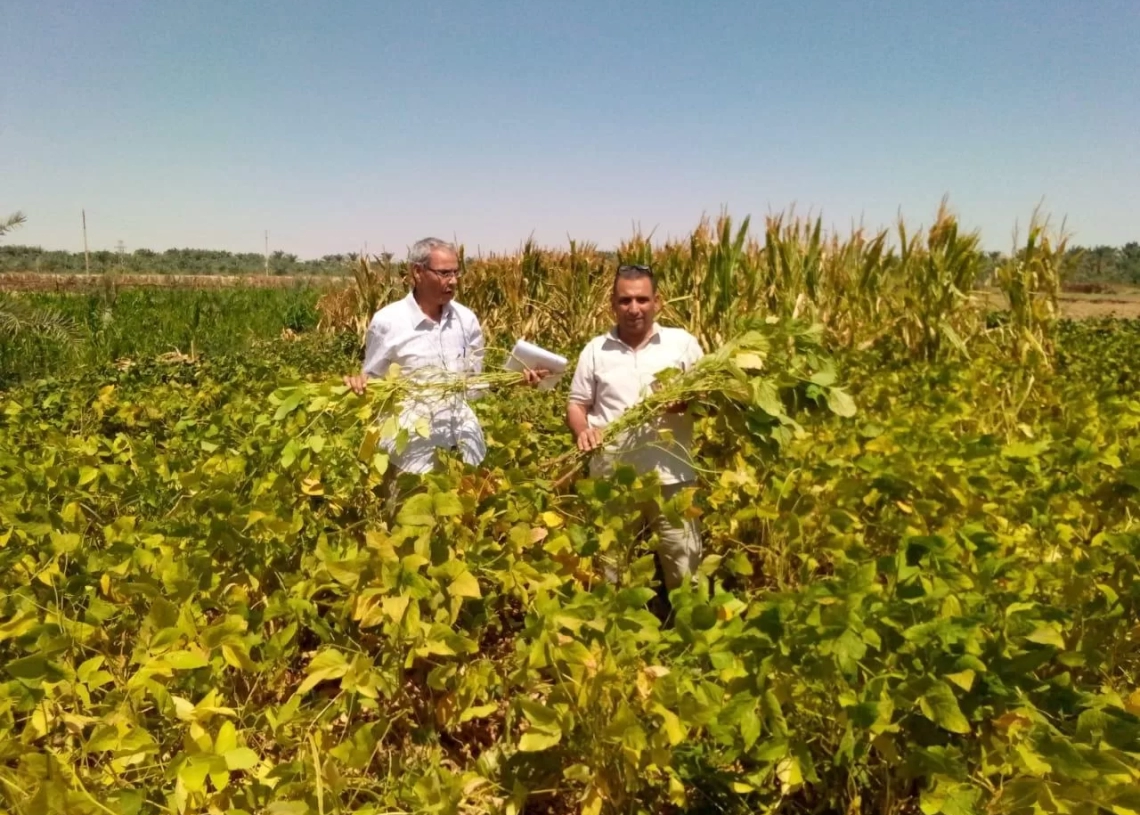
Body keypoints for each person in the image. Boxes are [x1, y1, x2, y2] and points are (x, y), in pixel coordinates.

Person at [344, 237, 545, 477]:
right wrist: (359, 384)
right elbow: (374, 382)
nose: (452, 281)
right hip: (412, 454)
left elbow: (472, 385)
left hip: (463, 446)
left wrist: (512, 380)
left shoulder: (466, 320)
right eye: (444, 273)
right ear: (418, 272)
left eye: (456, 273)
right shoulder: (388, 322)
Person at [566, 263, 705, 594]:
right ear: (612, 304)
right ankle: (620, 639)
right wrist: (583, 430)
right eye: (625, 301)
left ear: (658, 302)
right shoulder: (595, 350)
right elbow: (576, 404)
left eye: (642, 300)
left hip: (673, 478)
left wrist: (686, 403)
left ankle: (687, 635)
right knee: (613, 568)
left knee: (685, 569)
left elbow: (709, 398)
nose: (634, 309)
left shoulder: (682, 345)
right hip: (613, 479)